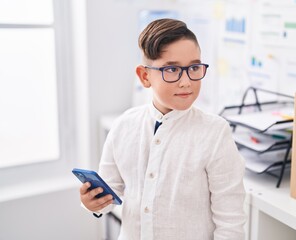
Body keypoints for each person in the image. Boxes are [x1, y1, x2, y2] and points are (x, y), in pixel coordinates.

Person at [79, 18, 246, 240]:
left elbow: (231, 223)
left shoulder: (214, 133)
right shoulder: (123, 126)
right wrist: (93, 203)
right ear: (145, 76)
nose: (186, 81)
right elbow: (110, 194)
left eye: (194, 67)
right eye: (172, 69)